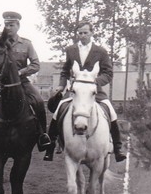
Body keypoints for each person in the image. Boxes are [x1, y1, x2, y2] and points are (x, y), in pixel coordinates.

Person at [43, 21, 126, 162]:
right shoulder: (71, 50)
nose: (82, 36)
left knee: (111, 112)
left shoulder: (101, 51)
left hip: (94, 90)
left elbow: (108, 73)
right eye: (80, 33)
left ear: (91, 33)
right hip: (75, 90)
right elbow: (65, 71)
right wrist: (61, 86)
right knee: (58, 111)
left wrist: (96, 82)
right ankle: (50, 147)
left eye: (85, 33)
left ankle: (117, 148)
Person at [0, 11, 51, 151]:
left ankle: (42, 135)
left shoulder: (26, 44)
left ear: (18, 26)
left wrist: (20, 72)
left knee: (38, 101)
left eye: (11, 25)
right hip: (2, 84)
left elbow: (35, 64)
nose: (8, 27)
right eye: (6, 25)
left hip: (22, 82)